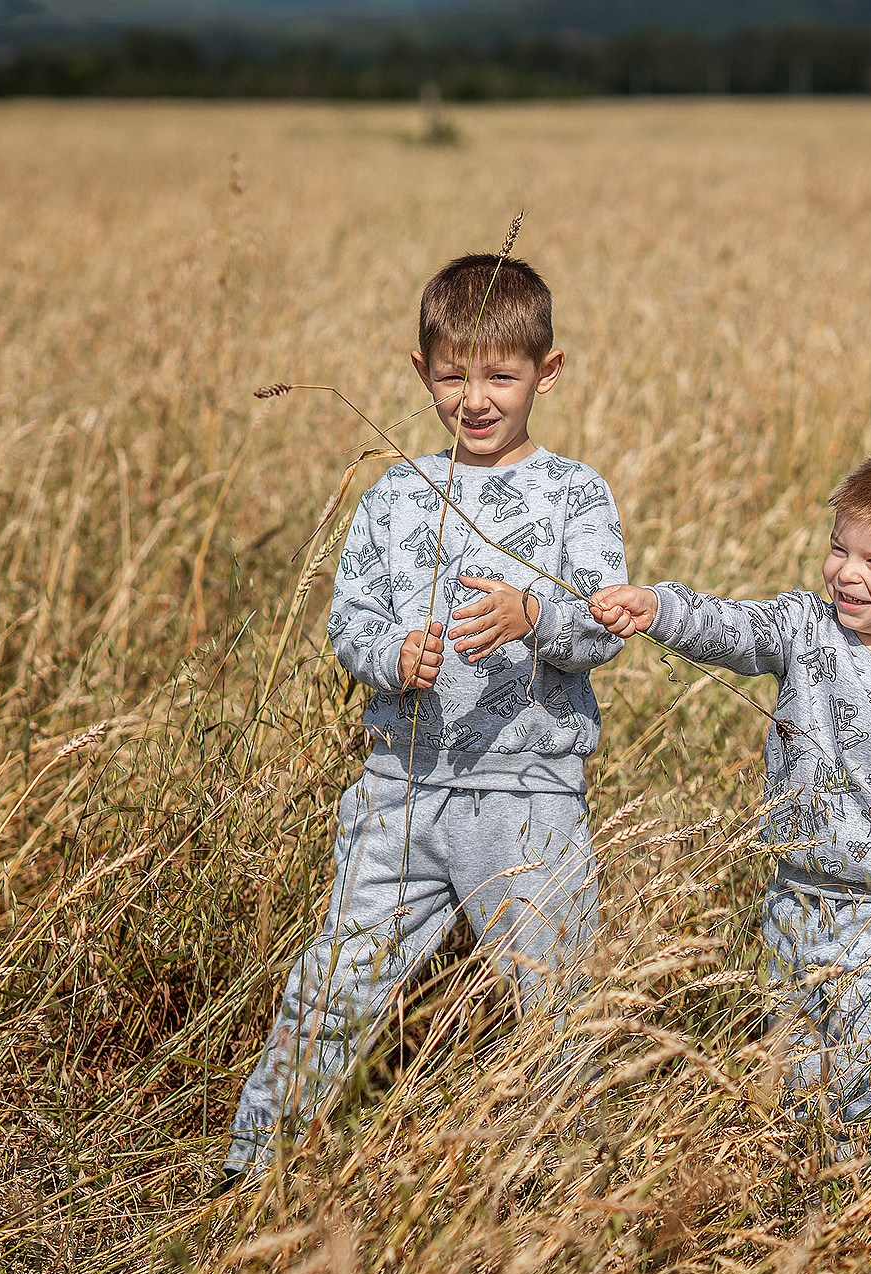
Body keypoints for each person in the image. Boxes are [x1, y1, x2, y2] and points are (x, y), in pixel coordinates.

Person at [219, 253, 627, 1188]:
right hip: (399, 791)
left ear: (547, 372)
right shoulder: (394, 494)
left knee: (557, 1002)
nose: (474, 398)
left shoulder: (576, 494)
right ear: (420, 372)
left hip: (529, 803)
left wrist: (538, 618)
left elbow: (604, 627)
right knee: (336, 982)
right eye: (452, 375)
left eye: (500, 375)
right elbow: (347, 620)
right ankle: (255, 1168)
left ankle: (571, 1189)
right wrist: (387, 654)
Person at [588, 445, 871, 1162]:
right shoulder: (804, 631)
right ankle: (799, 1189)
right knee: (797, 1071)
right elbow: (729, 628)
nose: (847, 572)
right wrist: (658, 607)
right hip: (796, 898)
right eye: (838, 549)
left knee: (870, 1075)